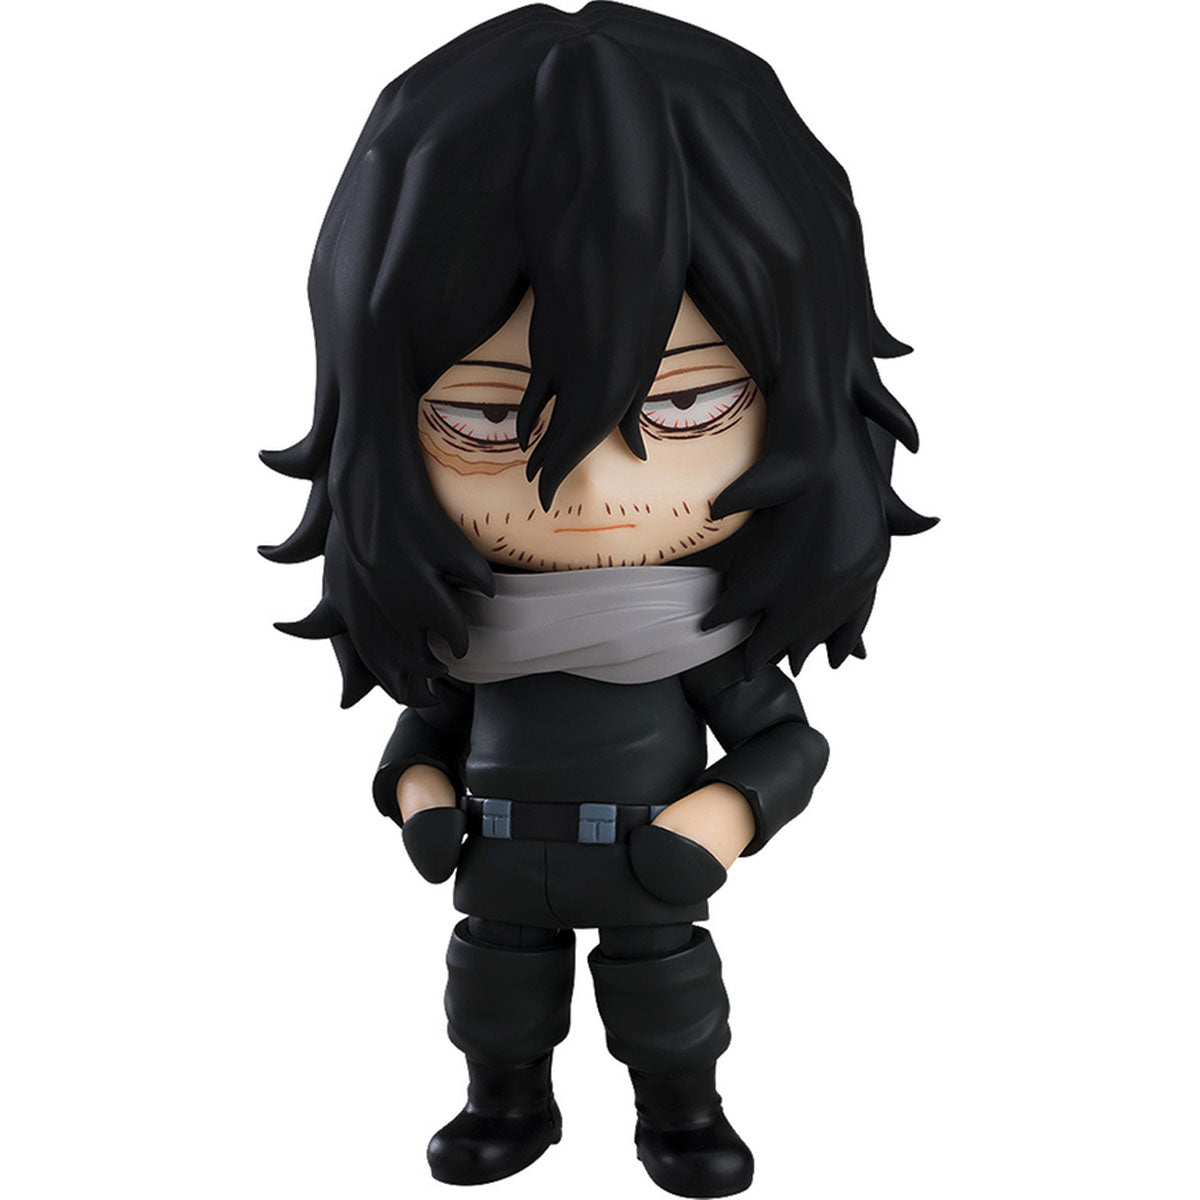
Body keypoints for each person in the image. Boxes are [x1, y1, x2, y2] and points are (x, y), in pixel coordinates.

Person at [261, 5, 933, 1195]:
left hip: (645, 869)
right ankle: (505, 1104)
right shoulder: (467, 637)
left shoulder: (705, 635)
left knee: (665, 1000)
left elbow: (786, 743)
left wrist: (720, 818)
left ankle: (683, 1117)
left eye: (685, 406)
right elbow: (426, 730)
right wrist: (419, 796)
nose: (587, 487)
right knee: (493, 997)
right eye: (486, 416)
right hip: (500, 871)